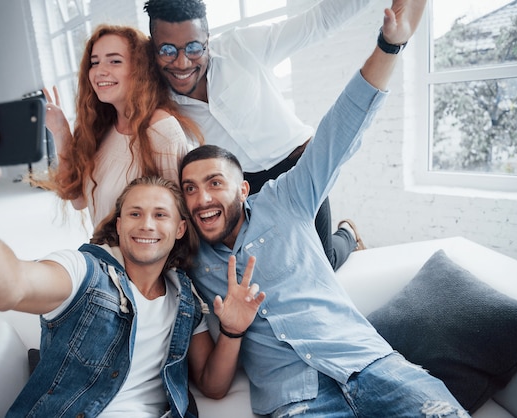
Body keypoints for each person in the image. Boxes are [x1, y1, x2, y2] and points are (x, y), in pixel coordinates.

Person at [177, 0, 471, 416]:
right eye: (190, 189)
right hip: (297, 402)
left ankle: (346, 236)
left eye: (214, 183)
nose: (203, 198)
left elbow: (342, 126)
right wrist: (231, 328)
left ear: (243, 189)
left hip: (371, 367)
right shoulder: (193, 263)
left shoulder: (284, 199)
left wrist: (389, 46)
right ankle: (348, 238)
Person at [0, 93, 266, 416]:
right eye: (135, 214)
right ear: (119, 225)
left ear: (180, 229)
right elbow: (11, 285)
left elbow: (212, 385)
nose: (147, 226)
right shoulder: (85, 272)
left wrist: (232, 331)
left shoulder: (185, 298)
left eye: (161, 215)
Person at [144, 0, 372, 271]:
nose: (182, 62)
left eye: (194, 48)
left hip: (299, 166)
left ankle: (347, 232)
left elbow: (318, 22)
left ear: (208, 39)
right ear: (153, 47)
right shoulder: (158, 100)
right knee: (271, 268)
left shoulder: (241, 47)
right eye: (168, 50)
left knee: (324, 262)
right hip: (247, 188)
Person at [41, 24, 203, 228]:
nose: (100, 71)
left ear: (140, 69)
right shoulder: (101, 128)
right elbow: (79, 200)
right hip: (103, 255)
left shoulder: (161, 130)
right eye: (94, 62)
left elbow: (176, 220)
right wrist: (60, 131)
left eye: (115, 61)